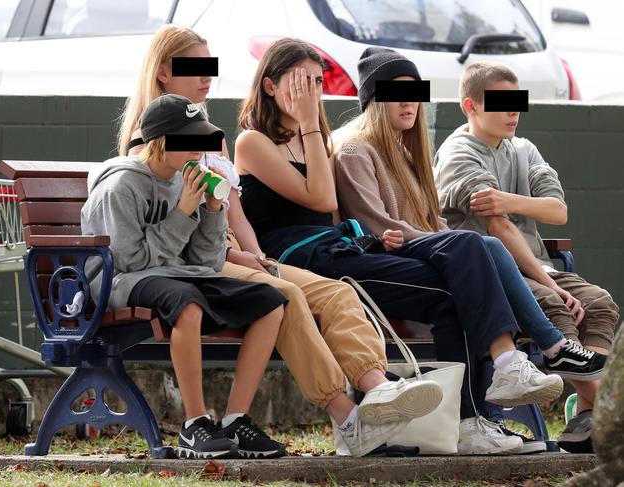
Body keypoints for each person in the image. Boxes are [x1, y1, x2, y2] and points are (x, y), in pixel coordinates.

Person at [117, 25, 444, 458]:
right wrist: (237, 253)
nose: (206, 76)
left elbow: (234, 212)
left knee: (336, 293)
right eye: (195, 67)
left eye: (209, 67)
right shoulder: (156, 140)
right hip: (196, 263)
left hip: (233, 252)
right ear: (162, 74)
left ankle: (376, 388)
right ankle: (348, 419)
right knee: (285, 295)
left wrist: (254, 253)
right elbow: (175, 233)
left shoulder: (211, 139)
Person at [234, 37, 565, 455]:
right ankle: (492, 386)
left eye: (318, 82)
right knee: (462, 257)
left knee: (459, 277)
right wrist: (310, 122)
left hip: (345, 251)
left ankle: (474, 416)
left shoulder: (317, 141)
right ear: (269, 86)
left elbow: (335, 219)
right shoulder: (253, 142)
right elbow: (320, 199)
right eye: (301, 82)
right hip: (305, 262)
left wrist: (373, 240)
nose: (311, 93)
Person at [332, 47, 609, 454]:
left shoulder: (410, 155)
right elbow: (379, 225)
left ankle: (511, 403)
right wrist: (451, 241)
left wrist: (455, 236)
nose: (409, 102)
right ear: (373, 100)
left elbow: (554, 211)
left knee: (492, 256)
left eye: (415, 93)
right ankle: (538, 361)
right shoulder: (355, 150)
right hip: (387, 262)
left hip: (431, 256)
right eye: (396, 94)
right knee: (479, 247)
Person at [82, 93, 288, 459]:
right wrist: (181, 213)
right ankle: (195, 424)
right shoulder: (119, 187)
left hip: (174, 276)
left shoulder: (183, 181)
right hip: (120, 281)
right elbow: (128, 261)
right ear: (160, 142)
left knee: (270, 303)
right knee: (187, 303)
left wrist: (211, 212)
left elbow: (206, 263)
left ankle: (235, 420)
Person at [433, 60, 619, 453]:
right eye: (501, 103)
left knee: (600, 303)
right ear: (470, 106)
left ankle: (587, 405)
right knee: (556, 304)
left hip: (537, 265)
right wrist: (549, 281)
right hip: (491, 275)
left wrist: (507, 199)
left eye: (517, 102)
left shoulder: (524, 148)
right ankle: (601, 405)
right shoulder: (458, 152)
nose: (513, 111)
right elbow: (499, 228)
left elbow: (558, 210)